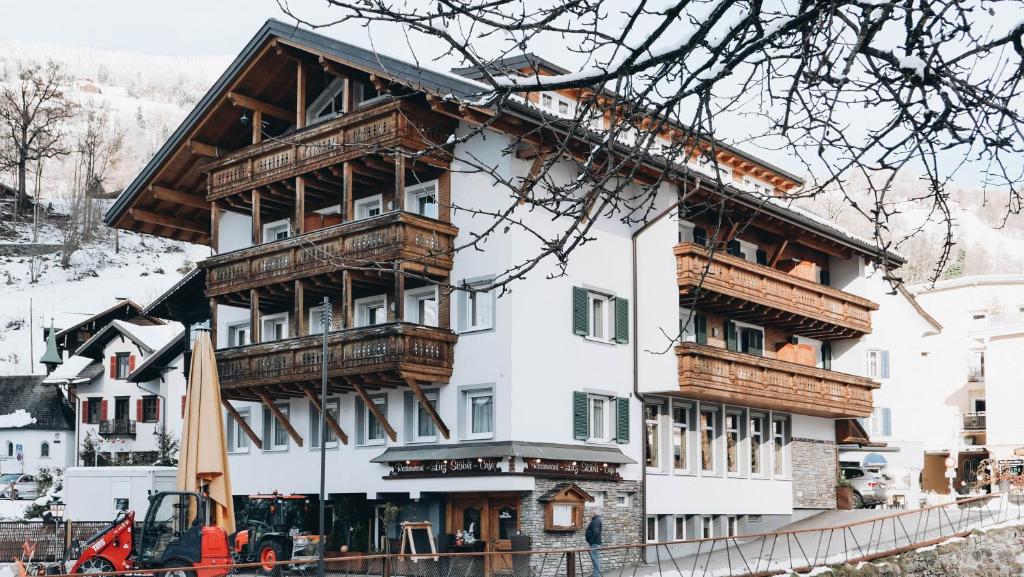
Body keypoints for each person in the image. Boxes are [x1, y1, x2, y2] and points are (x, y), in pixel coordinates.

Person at [584, 513, 602, 577]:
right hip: (594, 543)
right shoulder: (595, 520)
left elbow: (596, 532)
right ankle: (595, 574)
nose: (589, 514)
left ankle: (597, 575)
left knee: (595, 559)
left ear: (594, 513)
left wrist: (591, 541)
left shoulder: (596, 521)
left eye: (591, 513)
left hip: (594, 543)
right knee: (595, 558)